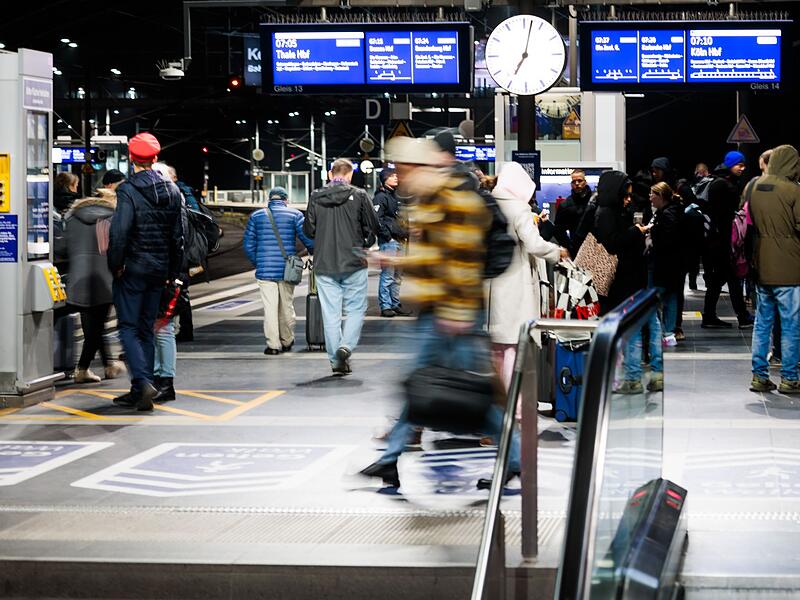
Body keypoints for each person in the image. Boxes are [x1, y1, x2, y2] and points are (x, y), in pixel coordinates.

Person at [359, 136, 522, 489]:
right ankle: (390, 460)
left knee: (475, 395)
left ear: (421, 167)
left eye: (403, 169)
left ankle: (516, 458)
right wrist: (398, 259)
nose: (399, 176)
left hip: (454, 314)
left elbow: (460, 260)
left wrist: (455, 311)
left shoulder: (453, 198)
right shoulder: (431, 198)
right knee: (420, 386)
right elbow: (438, 256)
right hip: (439, 310)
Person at [108, 133, 184, 411]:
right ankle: (142, 392)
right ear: (154, 158)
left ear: (131, 158)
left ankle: (142, 381)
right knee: (147, 329)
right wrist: (172, 272)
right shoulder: (172, 191)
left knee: (127, 327)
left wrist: (115, 265)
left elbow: (119, 234)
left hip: (133, 269)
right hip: (159, 271)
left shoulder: (127, 190)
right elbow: (178, 237)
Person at [488, 162, 567, 394]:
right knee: (515, 349)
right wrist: (557, 253)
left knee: (498, 351)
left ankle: (498, 407)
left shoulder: (489, 204)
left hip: (492, 285)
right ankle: (518, 409)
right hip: (514, 285)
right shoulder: (519, 209)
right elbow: (533, 244)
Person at [303, 158, 379, 375]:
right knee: (356, 308)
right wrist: (365, 242)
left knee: (331, 314)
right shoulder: (360, 195)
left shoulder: (315, 196)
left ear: (330, 174)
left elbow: (308, 230)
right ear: (350, 175)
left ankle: (336, 360)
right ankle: (346, 346)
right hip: (354, 261)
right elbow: (373, 225)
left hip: (325, 264)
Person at [592, 171, 663, 393]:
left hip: (632, 278)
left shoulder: (613, 211)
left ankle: (640, 377)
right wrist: (635, 232)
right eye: (626, 195)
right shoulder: (606, 213)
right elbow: (612, 243)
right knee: (640, 325)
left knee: (644, 324)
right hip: (624, 279)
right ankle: (641, 376)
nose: (629, 199)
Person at [748, 145, 800, 393]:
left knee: (762, 323)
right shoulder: (793, 190)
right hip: (789, 266)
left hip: (761, 263)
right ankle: (789, 378)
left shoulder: (754, 187)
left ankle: (759, 376)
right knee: (790, 324)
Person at [64, 189, 126, 383]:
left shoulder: (72, 217)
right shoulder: (112, 219)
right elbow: (114, 249)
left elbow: (62, 248)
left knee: (94, 326)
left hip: (78, 279)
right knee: (97, 327)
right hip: (103, 278)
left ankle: (109, 365)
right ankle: (82, 369)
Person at [244, 186, 313, 355]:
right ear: (285, 199)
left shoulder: (256, 216)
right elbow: (307, 239)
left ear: (269, 199)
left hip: (265, 271)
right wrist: (315, 251)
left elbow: (248, 245)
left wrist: (259, 262)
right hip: (287, 269)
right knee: (286, 306)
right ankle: (287, 340)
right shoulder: (295, 215)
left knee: (270, 308)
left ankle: (273, 345)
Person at [702, 150, 753, 329]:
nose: (742, 168)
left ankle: (712, 316)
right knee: (728, 280)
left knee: (722, 280)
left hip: (720, 241)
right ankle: (741, 317)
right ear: (731, 164)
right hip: (722, 241)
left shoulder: (722, 181)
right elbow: (722, 216)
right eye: (739, 164)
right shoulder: (723, 184)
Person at [648, 182, 685, 346]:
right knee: (671, 297)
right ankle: (668, 333)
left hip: (663, 264)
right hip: (674, 264)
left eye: (652, 194)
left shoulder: (666, 215)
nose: (650, 197)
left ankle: (657, 332)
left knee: (653, 298)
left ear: (661, 196)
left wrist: (652, 233)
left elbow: (666, 240)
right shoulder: (674, 211)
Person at [372, 168, 409, 318]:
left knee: (398, 276)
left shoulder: (396, 196)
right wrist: (387, 237)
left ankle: (395, 303)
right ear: (384, 179)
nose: (396, 178)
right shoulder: (380, 197)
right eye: (392, 176)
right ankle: (385, 306)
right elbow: (376, 219)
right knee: (388, 275)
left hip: (401, 240)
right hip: (390, 242)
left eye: (396, 175)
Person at [553, 169, 593, 258]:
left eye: (580, 180)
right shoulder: (566, 205)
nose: (577, 183)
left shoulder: (596, 201)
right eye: (574, 181)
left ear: (585, 182)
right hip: (576, 250)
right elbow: (558, 230)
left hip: (596, 249)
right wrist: (570, 247)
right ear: (571, 184)